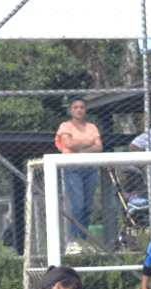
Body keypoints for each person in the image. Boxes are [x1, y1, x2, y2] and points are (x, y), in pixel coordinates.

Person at [55, 98, 102, 247]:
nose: (79, 110)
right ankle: (73, 241)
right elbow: (68, 144)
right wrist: (89, 144)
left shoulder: (92, 127)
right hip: (72, 168)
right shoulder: (65, 126)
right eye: (75, 107)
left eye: (82, 107)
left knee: (87, 207)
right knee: (78, 205)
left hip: (90, 168)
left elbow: (99, 147)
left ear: (85, 109)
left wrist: (79, 148)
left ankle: (83, 241)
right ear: (70, 110)